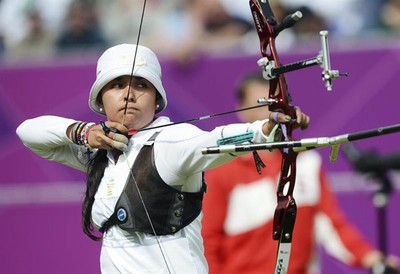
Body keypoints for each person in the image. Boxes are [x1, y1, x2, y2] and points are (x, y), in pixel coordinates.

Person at [16, 44, 310, 273]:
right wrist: (83, 132)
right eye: (117, 85)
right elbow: (28, 132)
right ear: (101, 99)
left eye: (141, 86)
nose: (129, 94)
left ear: (156, 100)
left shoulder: (172, 141)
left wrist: (266, 128)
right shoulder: (99, 151)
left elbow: (216, 140)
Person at [201, 72, 399, 274]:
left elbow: (331, 223)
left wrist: (371, 258)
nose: (270, 114)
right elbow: (208, 239)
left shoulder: (305, 164)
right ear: (242, 110)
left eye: (274, 105)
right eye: (261, 105)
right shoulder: (223, 170)